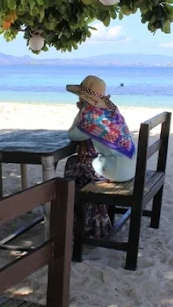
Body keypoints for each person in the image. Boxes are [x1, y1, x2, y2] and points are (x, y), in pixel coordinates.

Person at [64, 75, 136, 238]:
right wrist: (84, 141)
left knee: (72, 165)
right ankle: (95, 220)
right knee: (83, 166)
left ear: (84, 99)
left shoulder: (90, 117)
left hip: (116, 171)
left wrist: (80, 112)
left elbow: (72, 134)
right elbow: (95, 136)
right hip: (129, 167)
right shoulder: (111, 111)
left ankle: (79, 220)